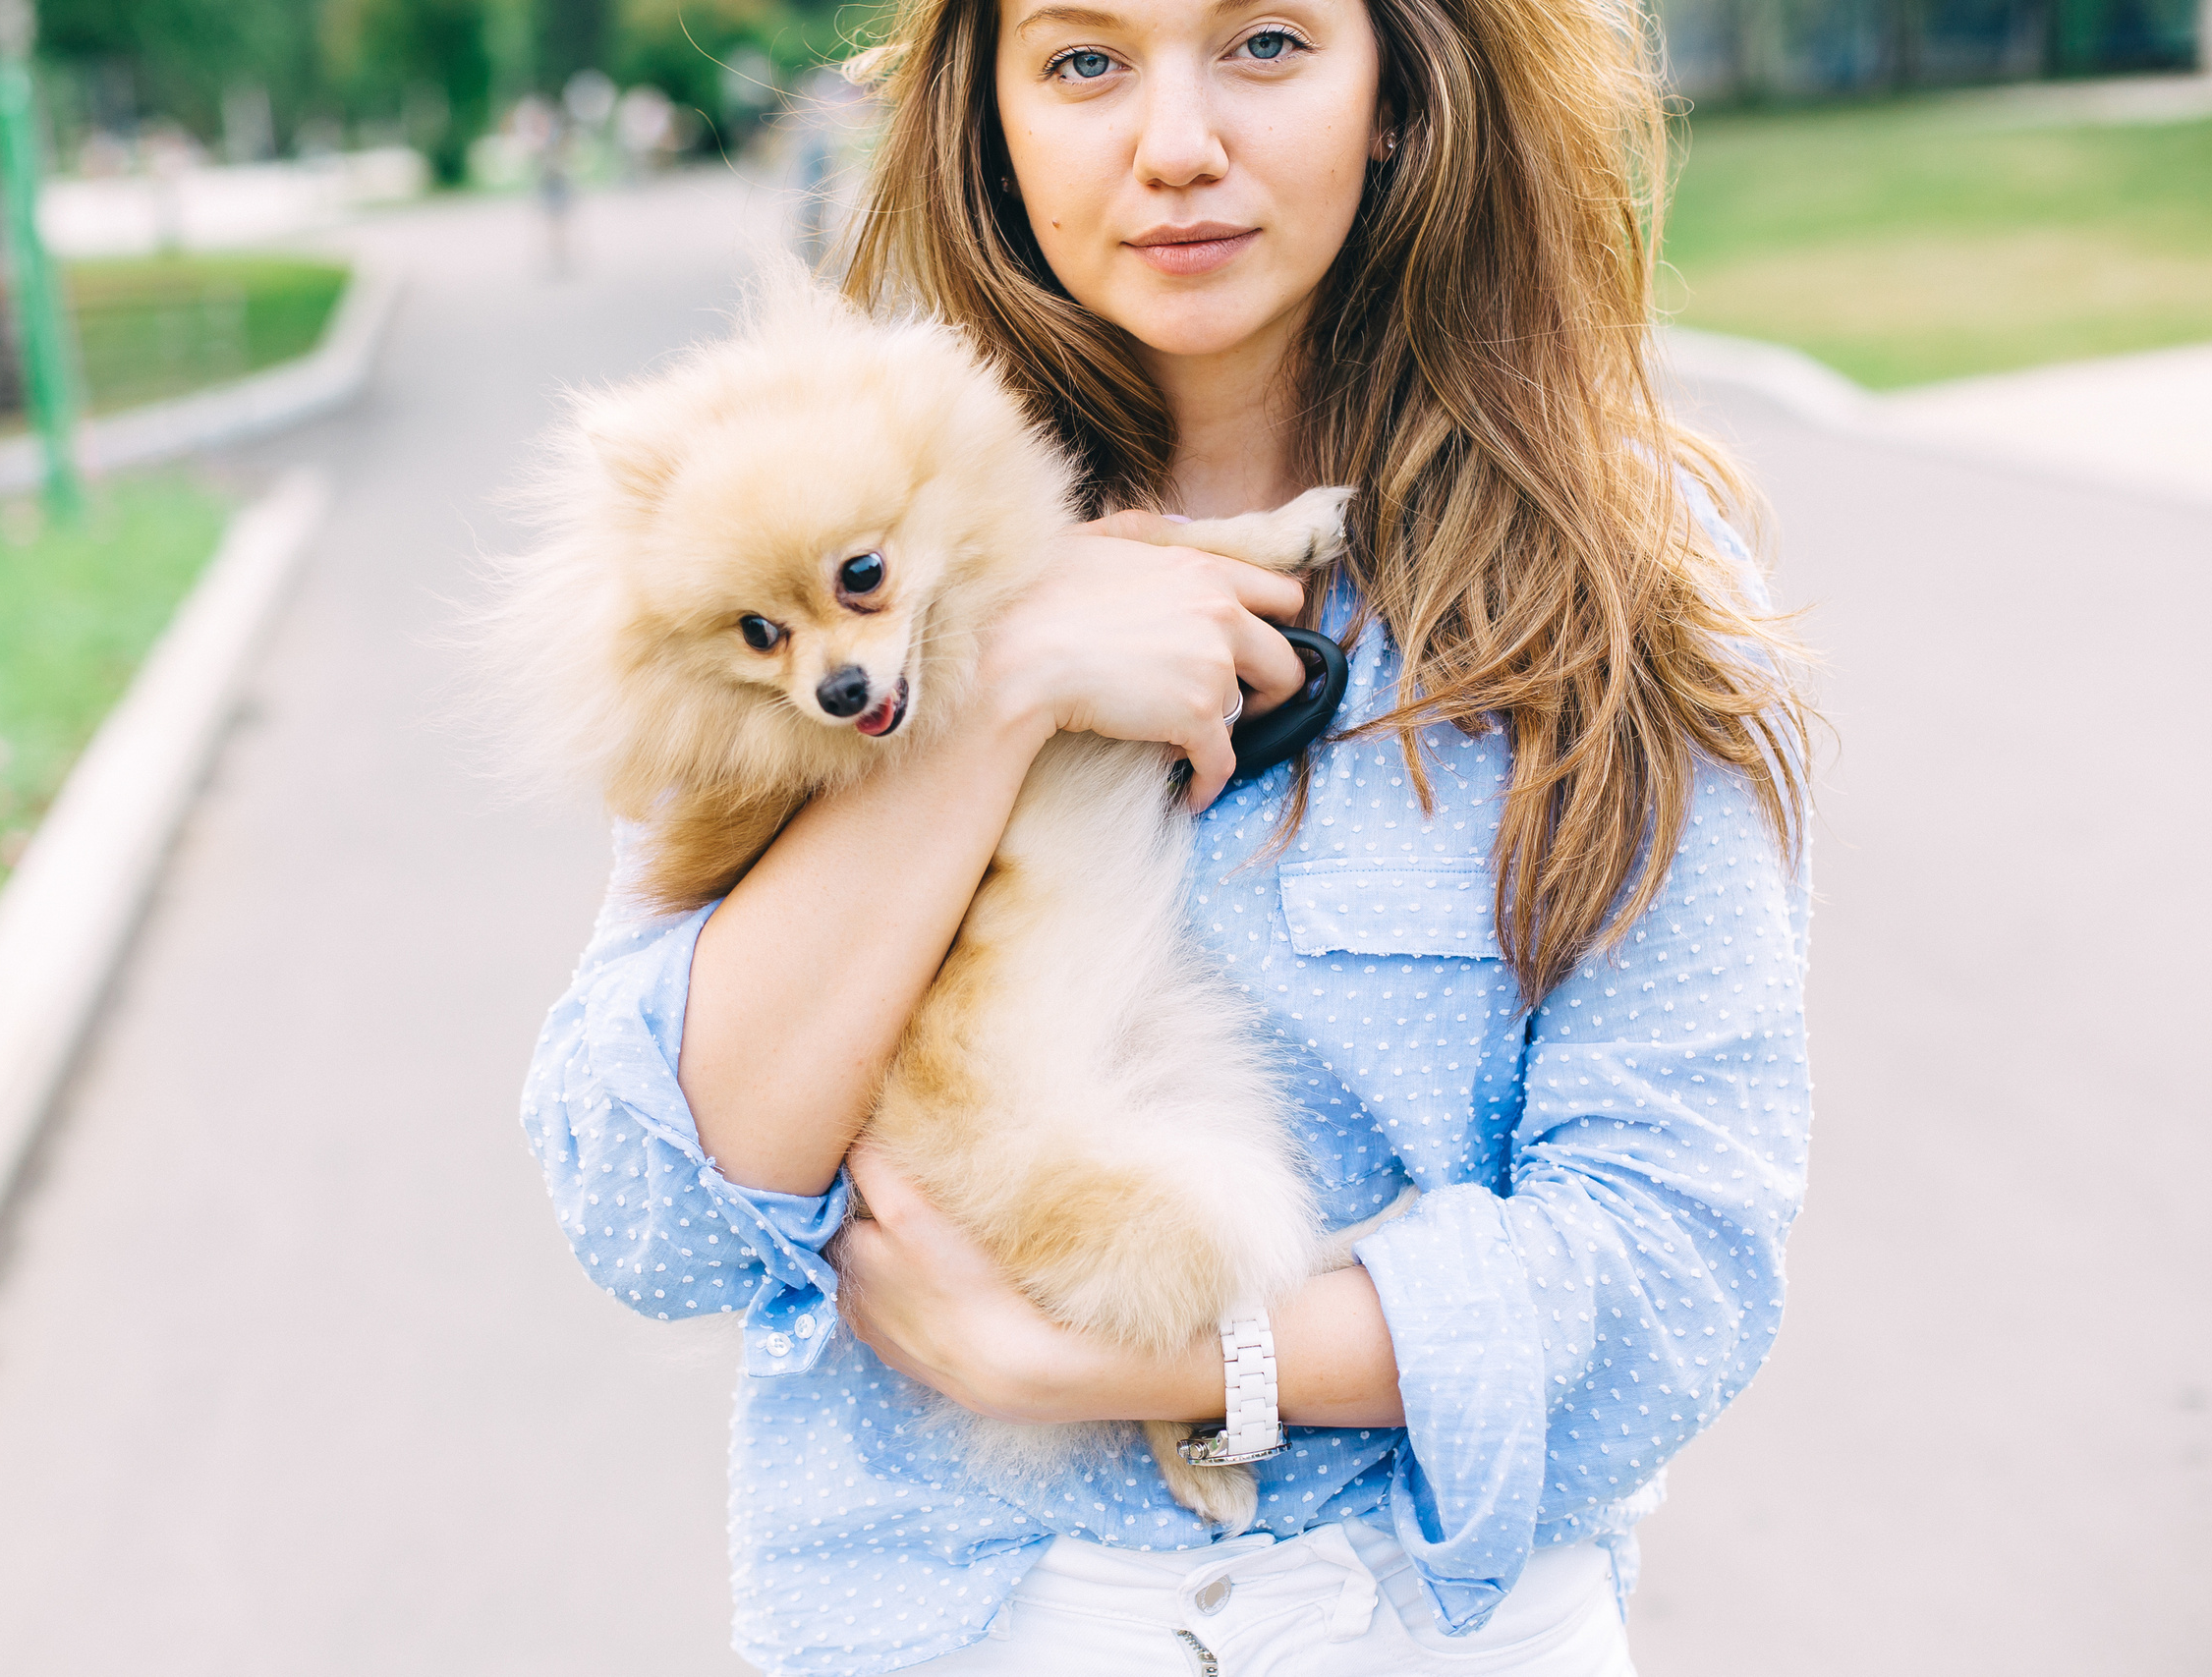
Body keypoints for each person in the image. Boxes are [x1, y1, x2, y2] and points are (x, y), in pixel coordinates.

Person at [522, 0, 1812, 1670]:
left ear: (1401, 90)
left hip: (1432, 1624)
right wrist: (1003, 689)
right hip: (949, 1627)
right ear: (987, 120)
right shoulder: (823, 530)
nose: (1176, 142)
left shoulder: (1623, 570)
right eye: (1083, 61)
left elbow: (1680, 1266)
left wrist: (1151, 1367)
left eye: (1266, 44)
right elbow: (652, 1212)